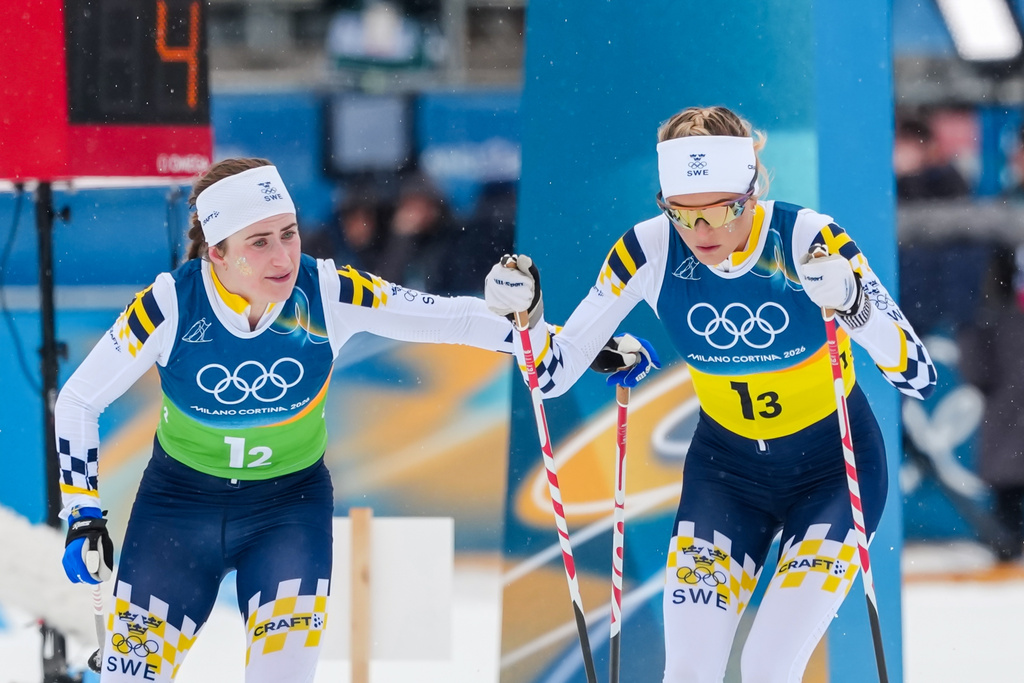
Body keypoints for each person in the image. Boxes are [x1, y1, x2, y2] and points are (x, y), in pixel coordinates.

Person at [484, 105, 937, 681]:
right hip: (727, 475)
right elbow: (551, 375)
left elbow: (917, 374)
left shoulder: (807, 240)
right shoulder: (646, 251)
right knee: (690, 670)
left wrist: (855, 305)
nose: (704, 232)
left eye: (723, 211)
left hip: (832, 474)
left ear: (751, 192)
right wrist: (527, 313)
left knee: (767, 664)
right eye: (683, 214)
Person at [55, 158, 523, 682]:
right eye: (258, 242)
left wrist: (553, 342)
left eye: (289, 233)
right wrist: (83, 515)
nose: (282, 257)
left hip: (286, 511)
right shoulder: (169, 304)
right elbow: (77, 402)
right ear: (218, 255)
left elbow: (454, 316)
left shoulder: (327, 291)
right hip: (178, 512)